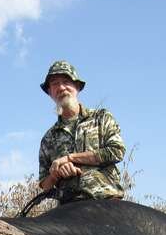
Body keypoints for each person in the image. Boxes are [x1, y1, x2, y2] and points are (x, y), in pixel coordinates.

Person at [38, 60, 126, 204]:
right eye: (54, 84)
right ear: (50, 92)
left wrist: (70, 158)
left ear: (77, 86)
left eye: (66, 81)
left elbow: (117, 151)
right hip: (68, 209)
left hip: (106, 202)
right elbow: (45, 185)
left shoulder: (101, 117)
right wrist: (55, 174)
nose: (61, 87)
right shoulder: (48, 138)